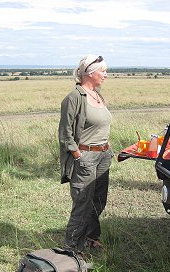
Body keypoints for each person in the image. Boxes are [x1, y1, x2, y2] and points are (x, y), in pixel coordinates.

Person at [58, 54, 113, 252]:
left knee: (99, 200)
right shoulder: (74, 98)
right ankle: (72, 249)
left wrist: (107, 148)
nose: (106, 75)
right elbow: (65, 133)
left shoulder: (97, 94)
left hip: (103, 155)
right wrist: (77, 155)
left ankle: (91, 237)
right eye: (103, 71)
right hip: (85, 157)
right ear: (90, 73)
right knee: (82, 203)